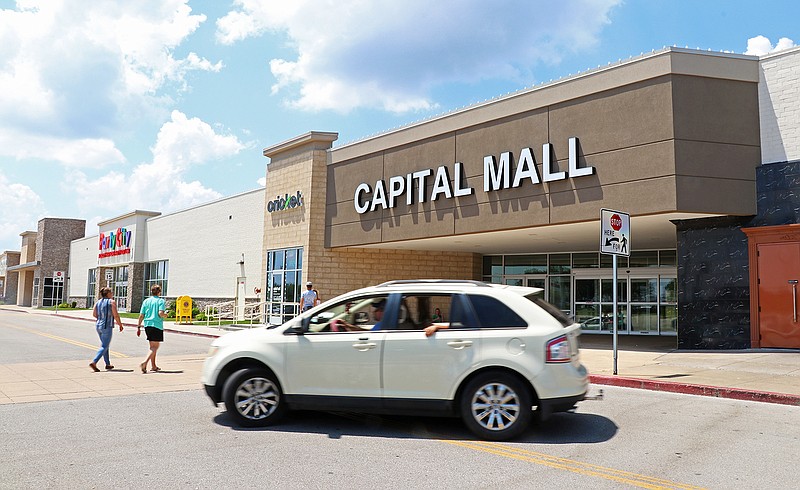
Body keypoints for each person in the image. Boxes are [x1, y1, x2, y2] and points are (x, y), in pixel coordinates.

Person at [89, 287, 124, 372]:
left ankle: (107, 364)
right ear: (108, 293)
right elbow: (116, 315)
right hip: (107, 326)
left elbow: (94, 314)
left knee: (105, 345)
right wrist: (120, 324)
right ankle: (94, 362)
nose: (112, 294)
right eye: (111, 292)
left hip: (98, 325)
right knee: (104, 345)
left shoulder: (98, 302)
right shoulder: (111, 302)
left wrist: (101, 318)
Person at [137, 284, 167, 373]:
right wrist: (166, 315)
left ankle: (154, 366)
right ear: (159, 292)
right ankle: (145, 363)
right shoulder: (161, 301)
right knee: (155, 347)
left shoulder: (146, 301)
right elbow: (160, 313)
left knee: (152, 346)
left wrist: (138, 326)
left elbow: (141, 315)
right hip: (156, 325)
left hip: (147, 325)